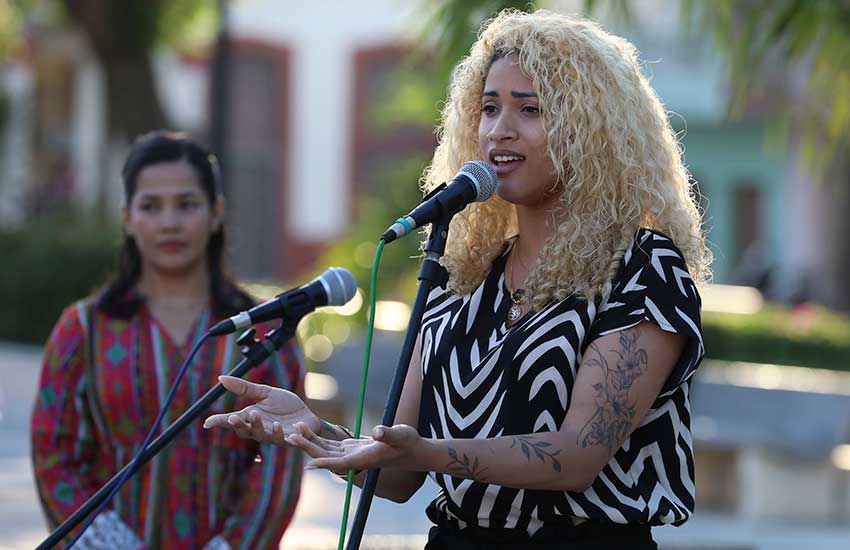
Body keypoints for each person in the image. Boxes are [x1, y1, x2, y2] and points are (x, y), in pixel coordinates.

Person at [204, 9, 711, 549]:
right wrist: (316, 431)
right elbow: (398, 474)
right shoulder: (462, 279)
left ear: (593, 130)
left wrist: (425, 451)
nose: (499, 129)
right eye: (489, 108)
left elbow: (576, 457)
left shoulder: (641, 267)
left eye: (531, 109)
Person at [31, 132, 304, 550]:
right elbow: (52, 451)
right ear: (127, 217)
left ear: (216, 213)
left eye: (187, 204)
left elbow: (280, 458)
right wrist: (99, 537)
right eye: (150, 206)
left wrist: (234, 544)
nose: (169, 222)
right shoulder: (83, 329)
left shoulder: (266, 329)